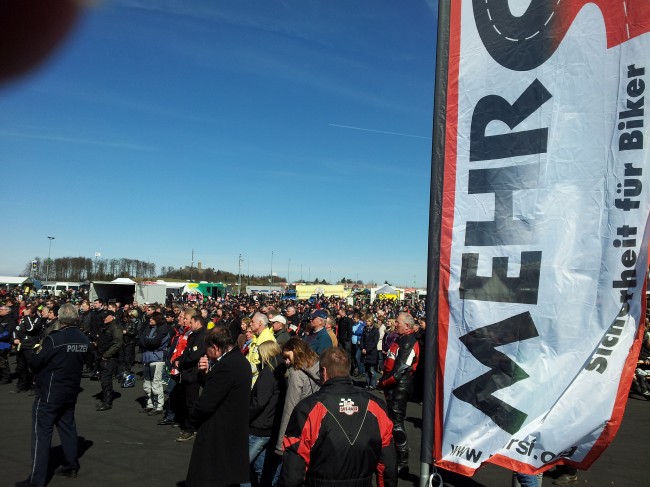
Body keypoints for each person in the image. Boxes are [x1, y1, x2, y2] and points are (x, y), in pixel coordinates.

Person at [279, 347, 397, 487]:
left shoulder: (308, 408)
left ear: (324, 372)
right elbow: (387, 463)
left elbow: (293, 469)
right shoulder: (376, 405)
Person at [15, 303, 90, 487]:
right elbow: (90, 359)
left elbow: (36, 362)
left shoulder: (55, 338)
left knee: (41, 434)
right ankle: (71, 466)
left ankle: (37, 480)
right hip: (71, 390)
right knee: (67, 427)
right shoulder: (83, 338)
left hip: (50, 391)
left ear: (60, 318)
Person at [185, 326, 252, 487]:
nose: (206, 354)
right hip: (231, 430)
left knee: (212, 477)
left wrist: (192, 418)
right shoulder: (239, 361)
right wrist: (205, 374)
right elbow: (219, 389)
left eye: (207, 349)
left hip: (219, 433)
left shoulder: (227, 366)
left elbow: (207, 403)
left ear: (215, 347)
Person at [377, 312, 420, 474]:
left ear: (407, 325)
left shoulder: (408, 341)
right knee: (392, 422)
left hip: (400, 386)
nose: (395, 324)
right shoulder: (401, 339)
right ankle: (396, 457)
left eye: (398, 322)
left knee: (396, 423)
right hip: (393, 385)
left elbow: (399, 370)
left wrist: (382, 382)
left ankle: (403, 462)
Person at [247, 340, 286, 487]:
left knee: (241, 468)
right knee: (260, 468)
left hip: (259, 426)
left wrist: (246, 415)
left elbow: (260, 402)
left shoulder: (269, 372)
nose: (258, 357)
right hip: (270, 426)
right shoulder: (281, 370)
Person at [139, 312, 170, 415]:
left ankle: (158, 406)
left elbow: (156, 343)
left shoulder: (163, 330)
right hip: (147, 358)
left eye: (152, 318)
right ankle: (149, 404)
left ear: (157, 319)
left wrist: (147, 342)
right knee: (147, 384)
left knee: (156, 383)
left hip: (157, 359)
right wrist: (148, 342)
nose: (150, 320)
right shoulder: (148, 328)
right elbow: (141, 340)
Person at [95, 310, 123, 411]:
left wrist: (106, 355)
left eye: (106, 316)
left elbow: (118, 343)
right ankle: (105, 400)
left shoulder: (115, 327)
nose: (104, 318)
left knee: (106, 380)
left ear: (112, 317)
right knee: (104, 380)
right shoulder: (107, 327)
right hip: (103, 356)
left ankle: (107, 402)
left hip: (109, 358)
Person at [11, 305, 43, 393]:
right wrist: (15, 338)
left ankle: (34, 387)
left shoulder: (38, 320)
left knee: (32, 368)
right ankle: (22, 386)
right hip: (21, 346)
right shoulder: (24, 319)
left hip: (31, 346)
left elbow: (30, 329)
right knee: (21, 367)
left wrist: (26, 317)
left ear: (33, 313)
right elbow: (17, 329)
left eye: (28, 311)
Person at [360, 315, 380, 390]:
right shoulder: (365, 329)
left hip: (371, 353)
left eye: (368, 321)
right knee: (366, 370)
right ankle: (367, 384)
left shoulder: (375, 331)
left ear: (371, 322)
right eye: (366, 321)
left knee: (372, 370)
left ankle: (372, 385)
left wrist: (367, 350)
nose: (366, 322)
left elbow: (375, 343)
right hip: (364, 352)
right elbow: (362, 339)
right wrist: (362, 348)